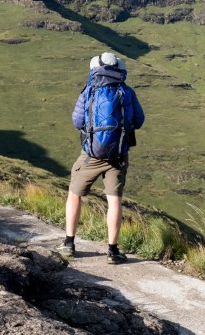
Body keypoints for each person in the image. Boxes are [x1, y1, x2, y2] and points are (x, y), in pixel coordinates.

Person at [56, 52, 145, 264]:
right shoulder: (126, 91)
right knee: (114, 200)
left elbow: (77, 121)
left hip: (91, 155)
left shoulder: (89, 91)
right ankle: (113, 251)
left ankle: (69, 243)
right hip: (118, 155)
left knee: (75, 194)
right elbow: (139, 121)